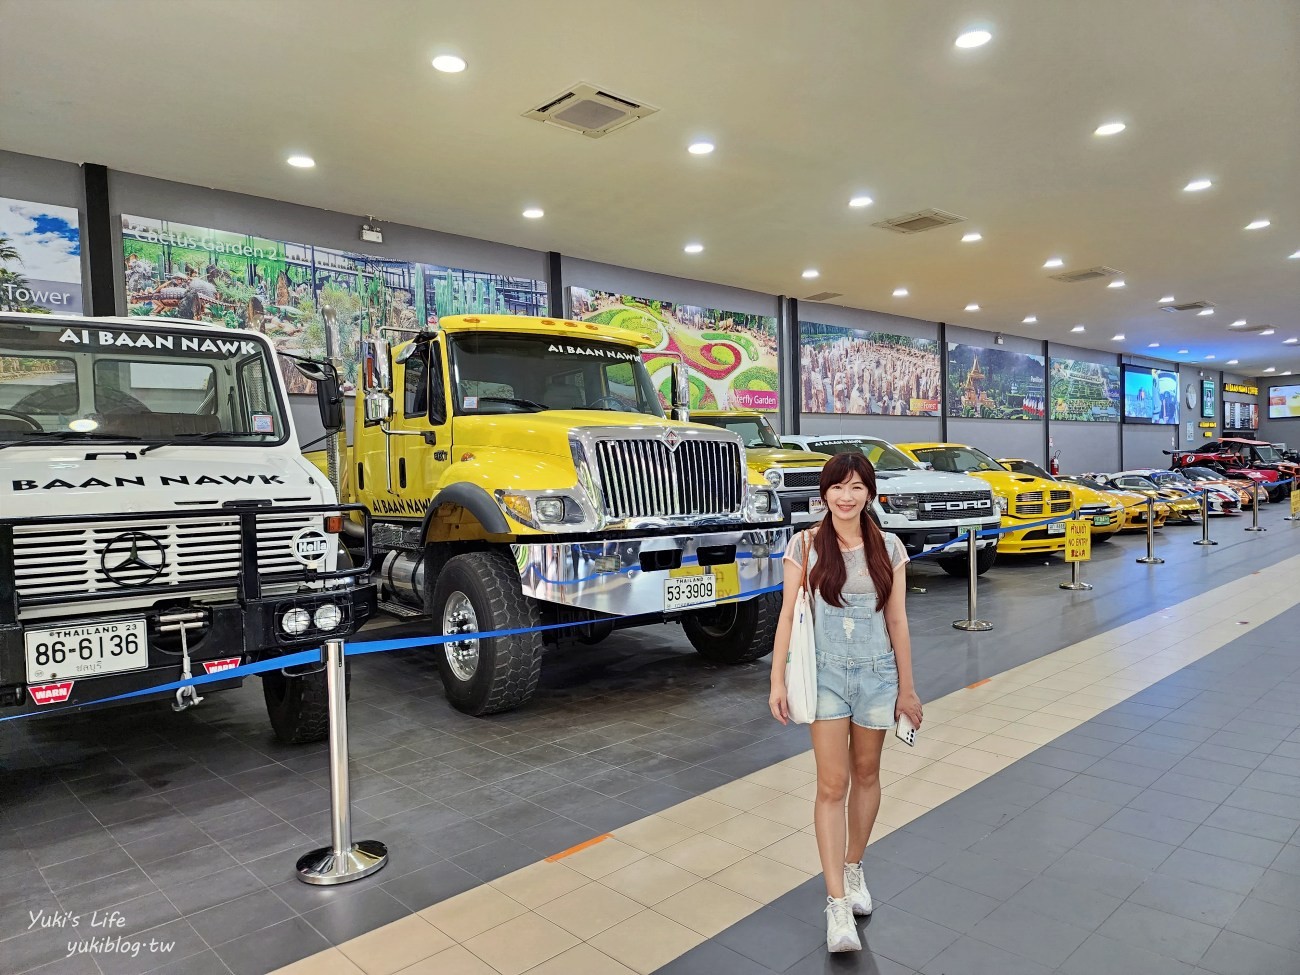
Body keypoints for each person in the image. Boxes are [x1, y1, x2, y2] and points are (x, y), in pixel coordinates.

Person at [768, 452, 923, 953]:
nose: (847, 496)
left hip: (879, 676)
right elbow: (788, 617)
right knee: (832, 785)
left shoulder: (890, 548)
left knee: (868, 775)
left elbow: (897, 621)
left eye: (857, 487)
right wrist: (777, 681)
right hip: (826, 676)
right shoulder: (805, 545)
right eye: (838, 486)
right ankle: (836, 904)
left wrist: (908, 687)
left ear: (870, 493)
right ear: (824, 492)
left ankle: (853, 866)